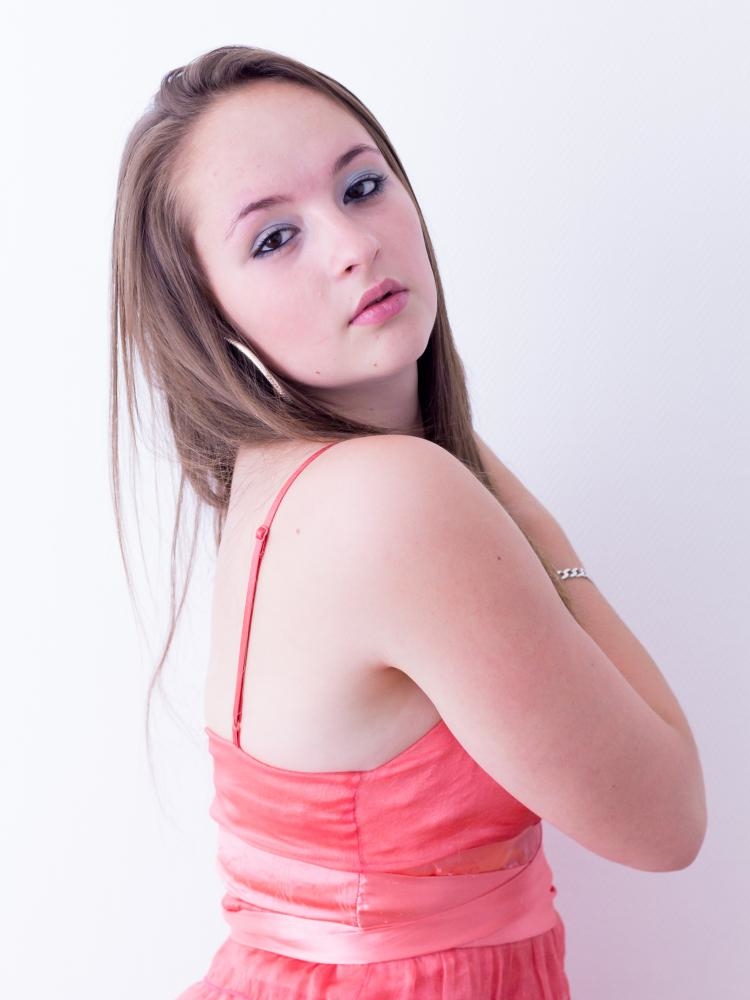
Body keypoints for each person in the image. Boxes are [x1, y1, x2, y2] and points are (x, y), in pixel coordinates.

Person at [110, 44, 707, 1000]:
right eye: (274, 238)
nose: (353, 244)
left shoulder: (268, 481)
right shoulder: (392, 497)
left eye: (362, 186)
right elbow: (667, 819)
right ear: (209, 317)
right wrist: (538, 535)